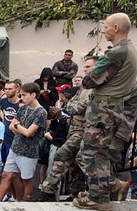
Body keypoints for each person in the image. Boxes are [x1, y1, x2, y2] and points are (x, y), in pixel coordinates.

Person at [74, 13, 137, 211]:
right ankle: (103, 189)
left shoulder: (116, 53)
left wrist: (90, 74)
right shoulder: (130, 50)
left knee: (93, 153)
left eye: (106, 27)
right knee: (93, 152)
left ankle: (100, 196)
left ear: (116, 29)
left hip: (103, 108)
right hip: (111, 107)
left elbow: (90, 80)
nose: (103, 31)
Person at [38, 56, 98, 200]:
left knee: (62, 154)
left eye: (88, 67)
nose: (85, 69)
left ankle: (48, 190)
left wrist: (72, 107)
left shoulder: (98, 86)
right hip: (73, 128)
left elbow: (83, 105)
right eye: (85, 66)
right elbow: (72, 103)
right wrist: (72, 107)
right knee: (75, 165)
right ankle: (76, 193)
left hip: (85, 129)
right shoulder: (85, 85)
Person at [0, 83, 47, 202]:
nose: (21, 98)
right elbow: (12, 126)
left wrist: (18, 127)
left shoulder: (41, 112)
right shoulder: (23, 108)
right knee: (6, 175)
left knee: (26, 179)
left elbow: (29, 133)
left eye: (24, 95)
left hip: (28, 152)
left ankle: (24, 202)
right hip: (15, 147)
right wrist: (20, 128)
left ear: (33, 95)